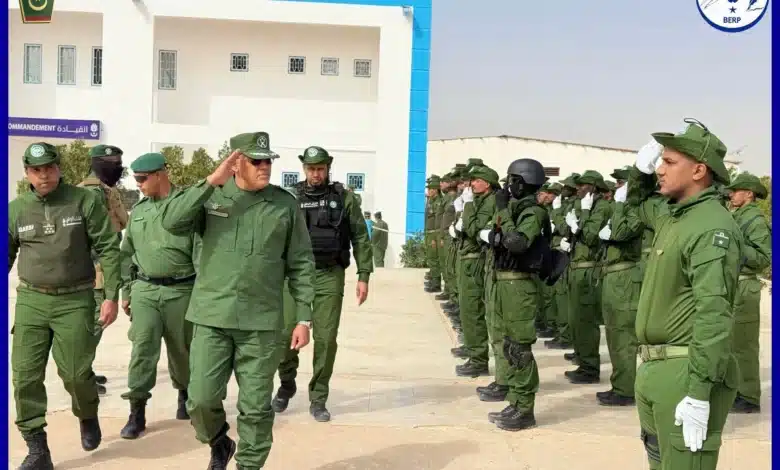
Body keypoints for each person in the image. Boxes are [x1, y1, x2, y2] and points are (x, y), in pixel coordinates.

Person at [159, 132, 315, 470]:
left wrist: (303, 318)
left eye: (268, 161)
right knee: (199, 399)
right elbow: (172, 222)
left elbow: (301, 262)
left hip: (260, 323)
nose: (264, 167)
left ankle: (248, 465)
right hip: (213, 316)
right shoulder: (211, 197)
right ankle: (218, 440)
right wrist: (210, 182)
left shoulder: (283, 204)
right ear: (236, 163)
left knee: (257, 408)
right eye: (256, 160)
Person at [628, 119, 742, 470]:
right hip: (654, 369)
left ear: (699, 170)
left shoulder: (710, 225)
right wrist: (638, 174)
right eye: (660, 162)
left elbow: (713, 313)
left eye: (669, 162)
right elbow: (636, 207)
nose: (659, 170)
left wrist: (699, 391)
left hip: (684, 371)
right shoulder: (674, 217)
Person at [9, 142, 121, 468]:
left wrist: (111, 295)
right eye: (36, 170)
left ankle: (87, 413)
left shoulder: (83, 201)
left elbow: (109, 248)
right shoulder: (15, 210)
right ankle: (37, 448)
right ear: (27, 173)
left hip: (75, 299)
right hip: (32, 300)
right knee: (25, 376)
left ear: (59, 168)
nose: (44, 175)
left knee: (75, 373)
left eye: (49, 168)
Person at [272, 146, 373, 423]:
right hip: (294, 276)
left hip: (330, 274)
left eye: (320, 168)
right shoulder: (290, 198)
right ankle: (287, 382)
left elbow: (360, 238)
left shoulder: (344, 198)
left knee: (326, 339)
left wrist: (364, 275)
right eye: (310, 168)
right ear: (304, 169)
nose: (315, 174)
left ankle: (318, 397)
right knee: (284, 335)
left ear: (328, 167)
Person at [118, 152, 201, 439]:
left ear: (160, 175)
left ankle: (185, 395)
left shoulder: (187, 208)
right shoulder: (138, 212)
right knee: (142, 349)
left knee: (183, 349)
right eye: (136, 178)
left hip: (182, 290)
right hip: (145, 290)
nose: (138, 184)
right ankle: (137, 411)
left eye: (142, 179)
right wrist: (127, 290)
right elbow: (126, 254)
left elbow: (202, 252)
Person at [480, 158, 548, 430]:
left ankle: (525, 408)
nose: (508, 186)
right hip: (504, 282)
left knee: (520, 347)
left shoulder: (533, 212)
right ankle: (515, 400)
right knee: (508, 345)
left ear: (523, 182)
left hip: (519, 285)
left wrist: (504, 214)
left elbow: (517, 243)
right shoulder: (516, 208)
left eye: (512, 181)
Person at [79, 144, 128, 395]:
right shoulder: (92, 193)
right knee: (94, 325)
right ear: (97, 164)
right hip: (95, 272)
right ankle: (80, 375)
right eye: (111, 164)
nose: (117, 168)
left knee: (94, 325)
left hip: (100, 269)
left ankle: (84, 370)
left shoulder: (104, 190)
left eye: (118, 163)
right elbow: (94, 239)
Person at [725, 172, 771, 414]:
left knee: (743, 345)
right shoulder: (737, 217)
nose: (731, 194)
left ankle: (749, 396)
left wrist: (735, 246)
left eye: (736, 190)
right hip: (732, 285)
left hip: (745, 286)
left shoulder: (754, 220)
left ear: (749, 194)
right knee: (731, 343)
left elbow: (764, 257)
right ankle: (737, 391)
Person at [560, 171, 612, 383]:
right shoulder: (583, 205)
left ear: (595, 187)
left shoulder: (600, 207)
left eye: (584, 185)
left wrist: (584, 214)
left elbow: (590, 237)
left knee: (586, 320)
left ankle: (590, 368)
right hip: (575, 266)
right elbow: (570, 231)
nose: (579, 188)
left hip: (589, 268)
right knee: (576, 320)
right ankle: (583, 361)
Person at [595, 177, 643, 406]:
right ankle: (620, 384)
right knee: (614, 333)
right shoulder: (624, 207)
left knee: (623, 335)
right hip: (614, 274)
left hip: (625, 275)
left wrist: (621, 205)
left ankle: (625, 390)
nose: (617, 187)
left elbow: (621, 232)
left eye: (622, 183)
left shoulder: (634, 209)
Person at [452, 164, 500, 377]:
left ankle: (479, 359)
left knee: (473, 310)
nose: (472, 184)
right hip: (467, 259)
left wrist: (468, 206)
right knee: (467, 309)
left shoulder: (490, 202)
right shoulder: (479, 201)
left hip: (476, 261)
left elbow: (473, 230)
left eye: (476, 181)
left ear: (487, 184)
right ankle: (474, 353)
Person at [545, 173, 579, 350]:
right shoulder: (565, 204)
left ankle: (566, 335)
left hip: (566, 256)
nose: (563, 189)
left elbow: (565, 229)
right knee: (557, 297)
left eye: (567, 187)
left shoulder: (571, 206)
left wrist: (557, 213)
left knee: (564, 299)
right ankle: (561, 332)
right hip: (558, 252)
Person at [424, 175, 443, 292]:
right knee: (431, 258)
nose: (428, 191)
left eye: (431, 189)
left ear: (436, 189)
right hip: (429, 232)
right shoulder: (431, 200)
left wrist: (435, 238)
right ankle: (433, 279)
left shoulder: (439, 202)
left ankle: (436, 283)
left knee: (434, 259)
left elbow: (438, 221)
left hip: (434, 234)